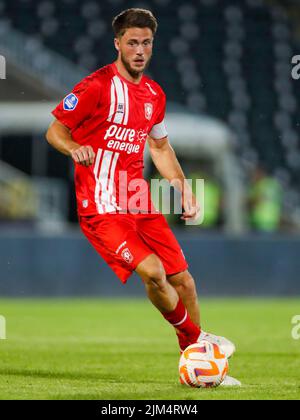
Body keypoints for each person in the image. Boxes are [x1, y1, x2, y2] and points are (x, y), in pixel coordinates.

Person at [46, 8, 240, 386]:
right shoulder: (96, 87)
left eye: (146, 42)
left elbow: (161, 148)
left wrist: (183, 189)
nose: (139, 50)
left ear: (153, 45)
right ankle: (200, 342)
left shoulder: (154, 94)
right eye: (132, 42)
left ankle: (197, 364)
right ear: (117, 43)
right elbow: (54, 131)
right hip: (101, 206)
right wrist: (73, 148)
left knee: (184, 281)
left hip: (137, 199)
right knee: (152, 272)